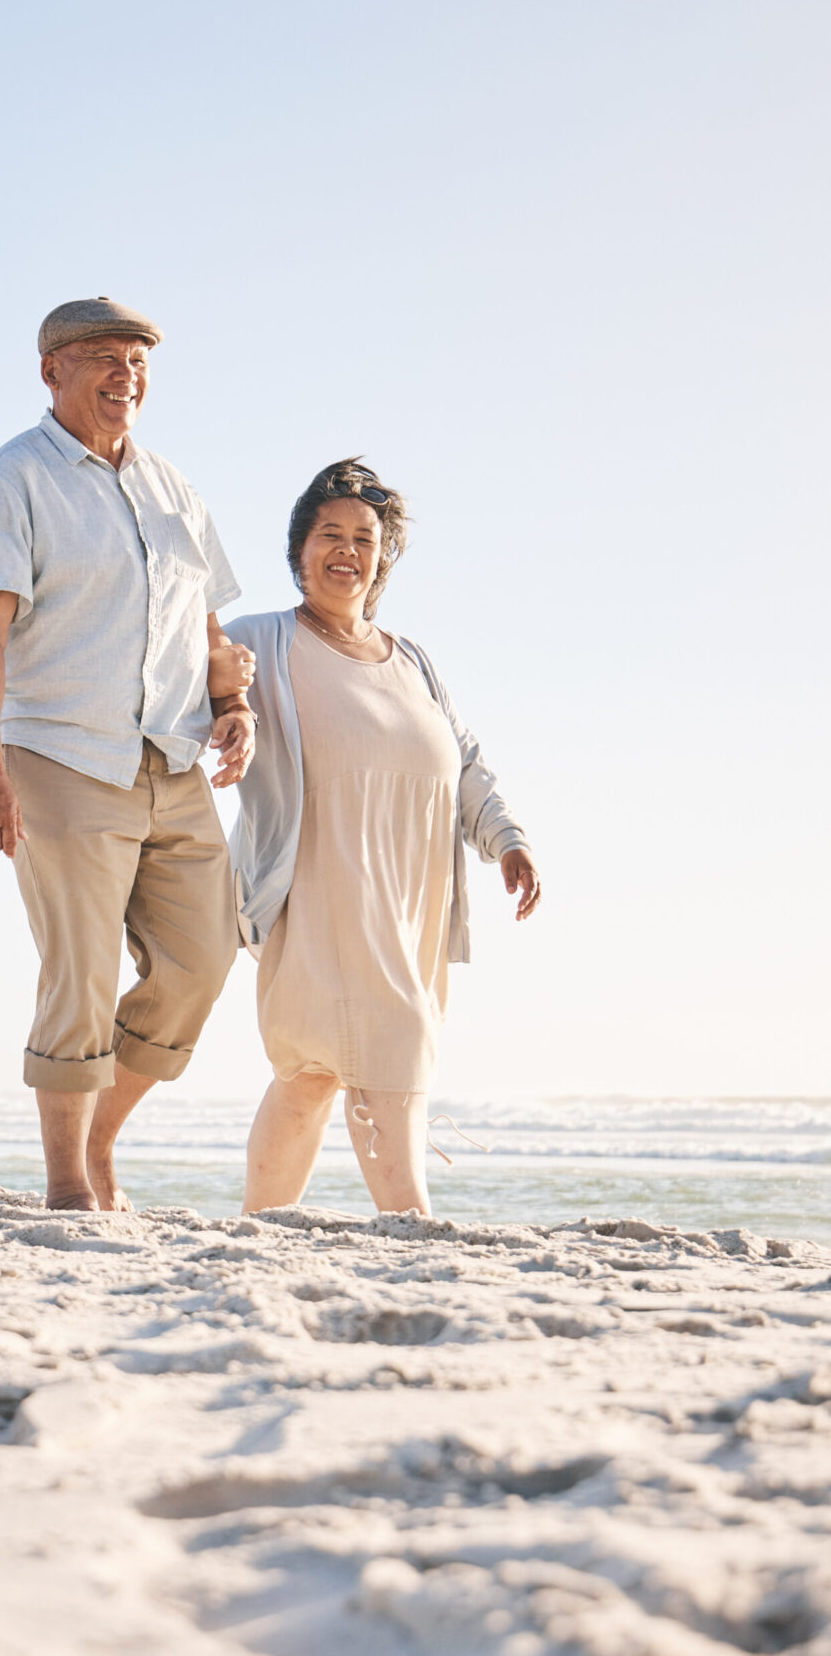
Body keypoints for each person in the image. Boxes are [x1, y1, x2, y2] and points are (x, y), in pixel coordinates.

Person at [0, 297, 258, 1211]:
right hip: (61, 757)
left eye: (138, 361)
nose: (126, 375)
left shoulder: (175, 486)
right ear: (52, 371)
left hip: (171, 755)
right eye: (102, 358)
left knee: (202, 959)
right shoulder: (11, 481)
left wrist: (231, 699)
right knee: (78, 976)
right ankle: (67, 1186)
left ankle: (100, 1135)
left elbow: (202, 619)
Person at [229, 459, 543, 1216]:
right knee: (388, 1051)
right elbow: (187, 697)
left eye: (364, 538)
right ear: (299, 549)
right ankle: (412, 1224)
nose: (346, 550)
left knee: (311, 1074)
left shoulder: (415, 662)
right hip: (320, 892)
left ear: (384, 557)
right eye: (329, 534)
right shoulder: (260, 642)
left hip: (411, 902)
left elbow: (464, 760)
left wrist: (506, 839)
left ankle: (260, 1226)